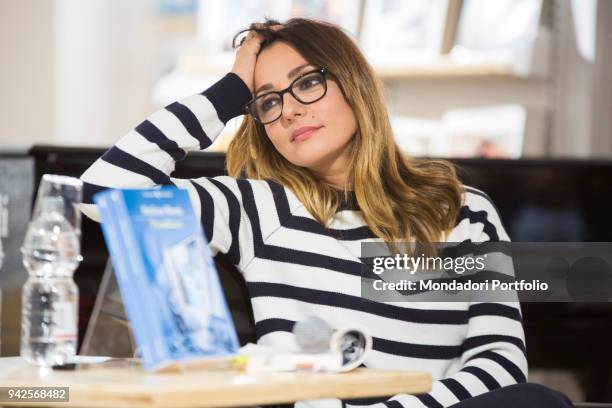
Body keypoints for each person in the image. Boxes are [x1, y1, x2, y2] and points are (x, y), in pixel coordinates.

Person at [80, 18, 573, 408]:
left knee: (536, 401)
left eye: (307, 83)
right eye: (267, 101)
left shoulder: (461, 209)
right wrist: (228, 92)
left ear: (354, 85)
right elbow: (102, 191)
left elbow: (500, 362)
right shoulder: (257, 208)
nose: (289, 110)